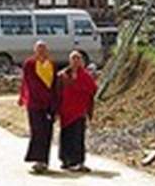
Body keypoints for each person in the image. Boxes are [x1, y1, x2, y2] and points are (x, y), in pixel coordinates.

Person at [19, 40, 58, 174]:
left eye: (43, 49)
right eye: (39, 49)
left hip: (49, 104)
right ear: (35, 51)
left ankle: (44, 161)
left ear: (47, 51)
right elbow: (28, 82)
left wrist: (55, 104)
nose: (41, 51)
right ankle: (37, 160)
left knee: (47, 132)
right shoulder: (29, 64)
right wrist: (24, 97)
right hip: (35, 104)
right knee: (37, 131)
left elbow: (54, 85)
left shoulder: (52, 64)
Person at [56, 50, 97, 172]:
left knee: (78, 136)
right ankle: (66, 160)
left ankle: (79, 161)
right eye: (73, 58)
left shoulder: (85, 76)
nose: (75, 61)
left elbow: (93, 90)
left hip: (79, 111)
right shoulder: (63, 75)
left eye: (78, 59)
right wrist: (56, 110)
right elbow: (57, 93)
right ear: (69, 61)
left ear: (81, 61)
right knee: (66, 136)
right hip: (66, 111)